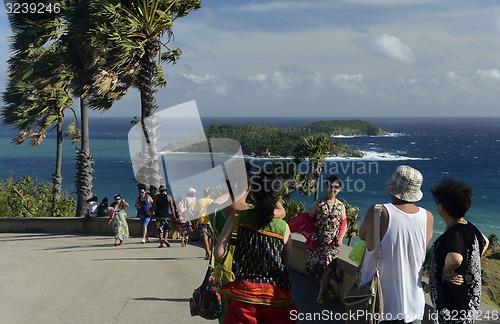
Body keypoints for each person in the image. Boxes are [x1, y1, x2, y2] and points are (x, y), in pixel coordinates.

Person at [214, 169, 296, 324]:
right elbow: (286, 260)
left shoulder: (238, 217)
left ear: (253, 192)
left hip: (242, 294)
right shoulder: (282, 227)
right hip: (276, 296)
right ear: (277, 196)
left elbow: (219, 253)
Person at [359, 165, 434, 323]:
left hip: (378, 304)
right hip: (413, 306)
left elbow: (362, 235)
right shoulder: (428, 217)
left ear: (392, 188)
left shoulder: (378, 212)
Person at [429, 178, 489, 323]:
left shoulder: (454, 233)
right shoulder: (469, 226)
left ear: (443, 207)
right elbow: (485, 242)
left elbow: (455, 258)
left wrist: (446, 272)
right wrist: (470, 262)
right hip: (467, 301)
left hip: (454, 302)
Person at [305, 174, 347, 304]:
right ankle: (327, 286)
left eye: (336, 187)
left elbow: (344, 222)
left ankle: (320, 295)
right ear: (326, 187)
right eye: (330, 186)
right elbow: (308, 219)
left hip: (332, 245)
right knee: (314, 268)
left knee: (328, 266)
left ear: (339, 189)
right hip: (318, 243)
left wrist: (340, 238)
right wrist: (311, 233)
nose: (332, 190)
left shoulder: (341, 206)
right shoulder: (319, 203)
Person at [194, 186, 214, 260]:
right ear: (210, 193)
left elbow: (196, 212)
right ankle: (208, 252)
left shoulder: (199, 201)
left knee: (205, 236)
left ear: (203, 193)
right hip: (210, 221)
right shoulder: (212, 201)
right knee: (209, 236)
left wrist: (195, 222)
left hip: (202, 220)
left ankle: (208, 253)